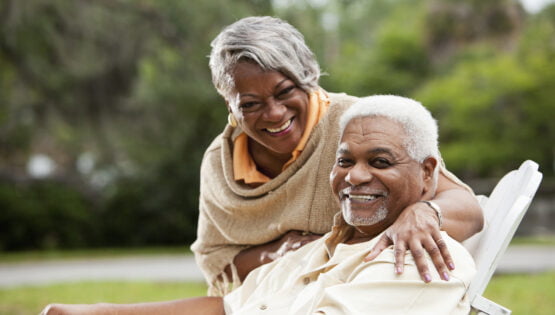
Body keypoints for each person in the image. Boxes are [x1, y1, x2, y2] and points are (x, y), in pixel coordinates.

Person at [41, 95, 476, 315]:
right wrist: (95, 312)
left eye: (380, 161)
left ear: (427, 174)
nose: (355, 176)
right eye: (344, 161)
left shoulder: (421, 260)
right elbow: (228, 308)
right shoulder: (321, 246)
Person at [192, 15, 483, 295]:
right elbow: (216, 257)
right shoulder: (221, 162)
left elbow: (466, 208)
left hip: (361, 290)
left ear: (307, 78)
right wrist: (281, 253)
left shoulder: (359, 125)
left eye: (285, 92)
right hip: (273, 299)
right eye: (250, 104)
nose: (274, 113)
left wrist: (425, 212)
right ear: (229, 104)